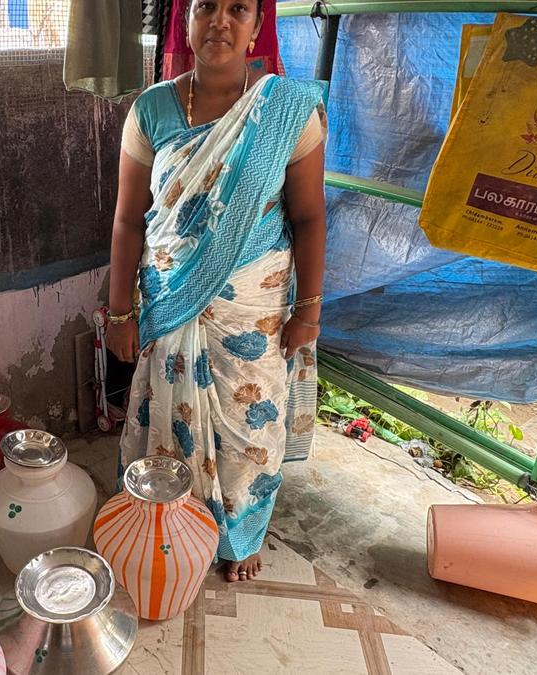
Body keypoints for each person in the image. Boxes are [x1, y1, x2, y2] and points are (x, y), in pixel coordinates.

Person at [105, 0, 328, 583]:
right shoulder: (151, 110)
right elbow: (129, 220)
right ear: (186, 19)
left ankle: (241, 534)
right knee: (167, 414)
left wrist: (309, 311)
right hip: (169, 300)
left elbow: (308, 218)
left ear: (259, 24)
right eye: (206, 6)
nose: (220, 22)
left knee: (247, 425)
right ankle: (169, 518)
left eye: (238, 8)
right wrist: (120, 310)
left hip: (253, 312)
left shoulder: (288, 111)